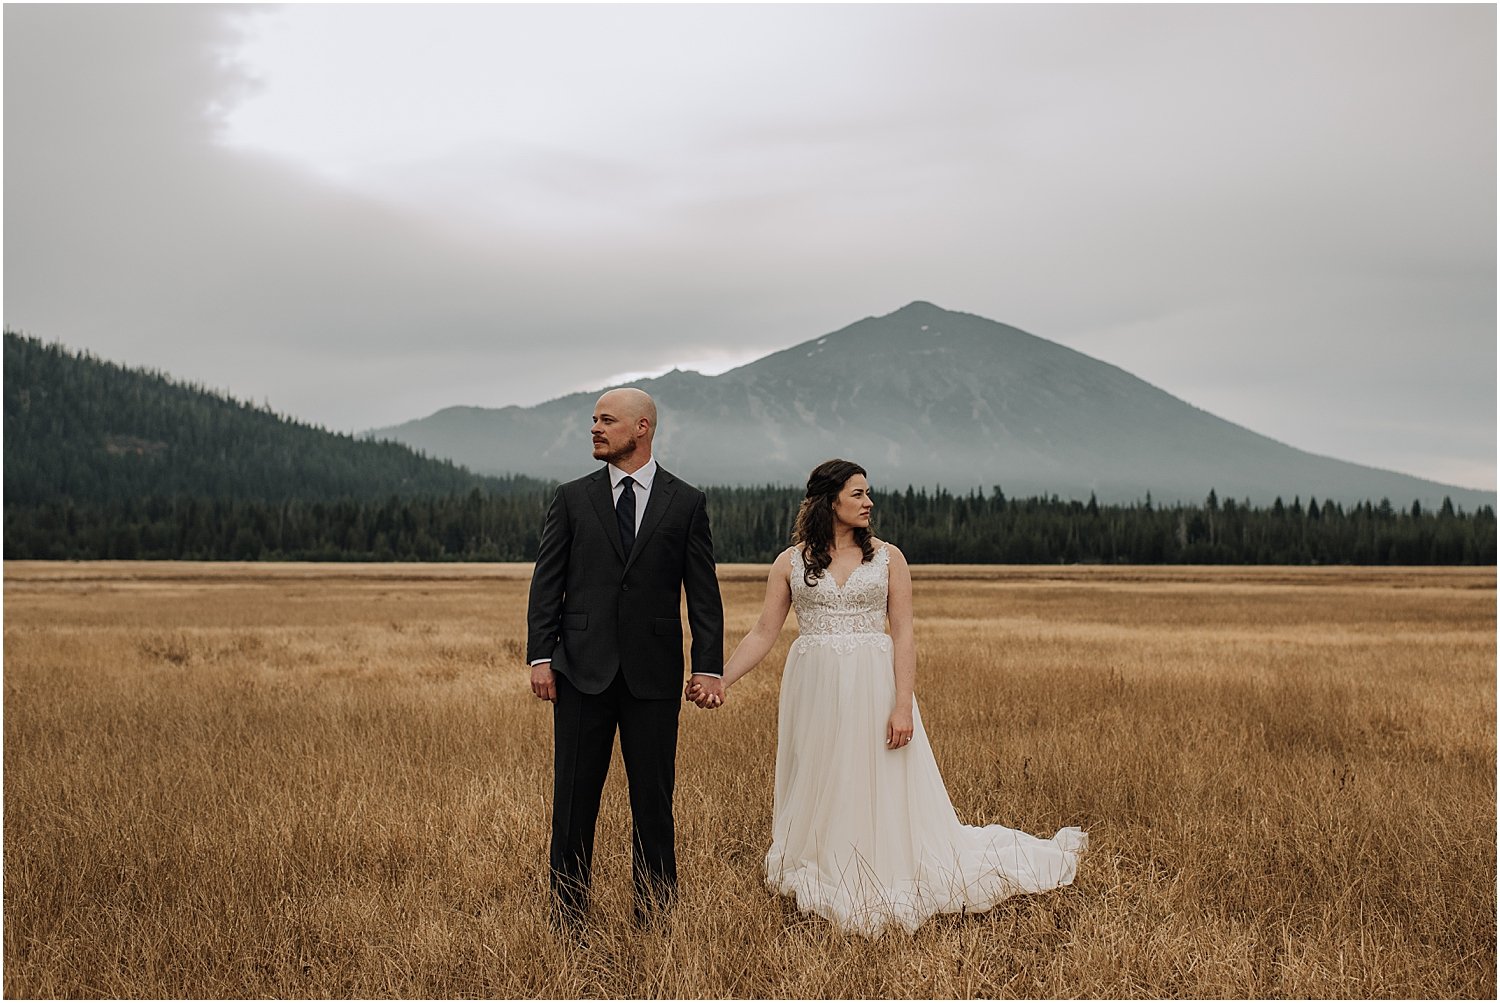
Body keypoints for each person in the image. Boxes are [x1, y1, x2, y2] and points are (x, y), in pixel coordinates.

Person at [688, 458, 1085, 936]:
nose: (869, 502)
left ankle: (882, 857)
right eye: (857, 493)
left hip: (874, 686)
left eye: (868, 493)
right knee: (824, 772)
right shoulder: (789, 563)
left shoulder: (888, 558)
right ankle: (826, 854)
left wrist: (902, 704)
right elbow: (763, 632)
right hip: (814, 689)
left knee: (876, 773)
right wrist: (720, 680)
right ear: (828, 500)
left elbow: (904, 633)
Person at [526, 387, 725, 930]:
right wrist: (541, 656)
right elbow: (547, 584)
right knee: (573, 804)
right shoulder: (571, 498)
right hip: (580, 672)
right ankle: (567, 919)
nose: (595, 428)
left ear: (641, 428)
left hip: (654, 677)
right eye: (593, 420)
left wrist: (708, 666)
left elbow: (703, 593)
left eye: (606, 420)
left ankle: (656, 918)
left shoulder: (686, 503)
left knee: (654, 804)